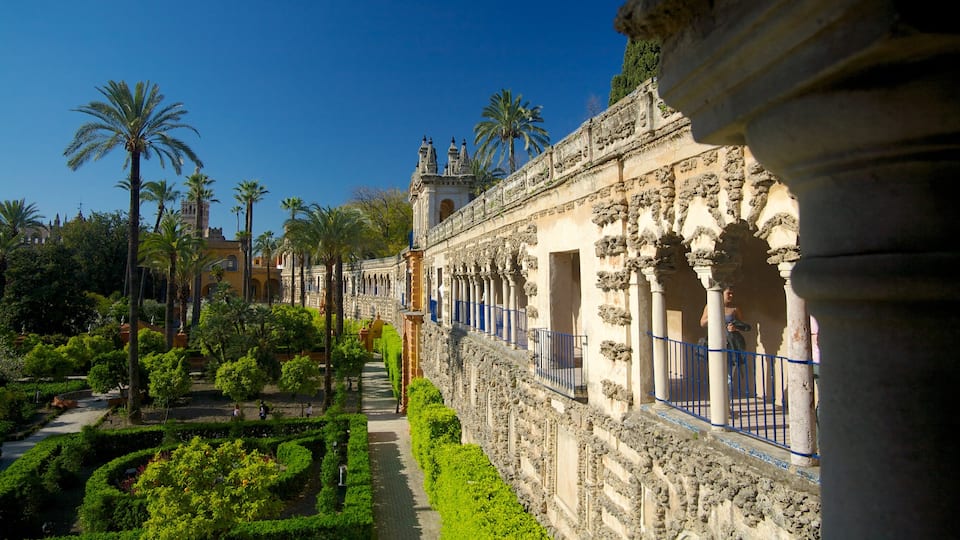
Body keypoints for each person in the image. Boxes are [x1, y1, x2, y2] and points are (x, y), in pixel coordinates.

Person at [700, 285, 752, 397]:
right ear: (722, 293)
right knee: (717, 374)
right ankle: (718, 399)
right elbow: (702, 323)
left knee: (729, 375)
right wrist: (714, 314)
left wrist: (735, 328)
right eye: (728, 293)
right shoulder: (710, 306)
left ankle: (727, 402)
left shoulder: (734, 309)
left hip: (732, 345)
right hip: (716, 344)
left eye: (732, 293)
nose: (731, 296)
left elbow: (745, 326)